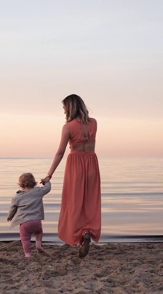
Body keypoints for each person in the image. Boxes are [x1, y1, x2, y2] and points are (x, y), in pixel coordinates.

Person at [42, 94, 101, 258]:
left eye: (64, 108)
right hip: (92, 163)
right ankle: (87, 231)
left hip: (75, 164)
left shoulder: (68, 127)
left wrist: (49, 175)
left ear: (69, 108)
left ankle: (79, 235)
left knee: (74, 202)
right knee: (90, 202)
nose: (63, 111)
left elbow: (60, 152)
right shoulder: (94, 123)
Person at [7, 172, 52, 258]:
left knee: (25, 239)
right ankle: (38, 245)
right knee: (38, 232)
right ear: (34, 182)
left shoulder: (17, 197)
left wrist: (10, 216)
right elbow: (47, 188)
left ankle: (28, 254)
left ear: (21, 184)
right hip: (36, 221)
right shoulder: (38, 191)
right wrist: (46, 181)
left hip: (24, 223)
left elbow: (13, 208)